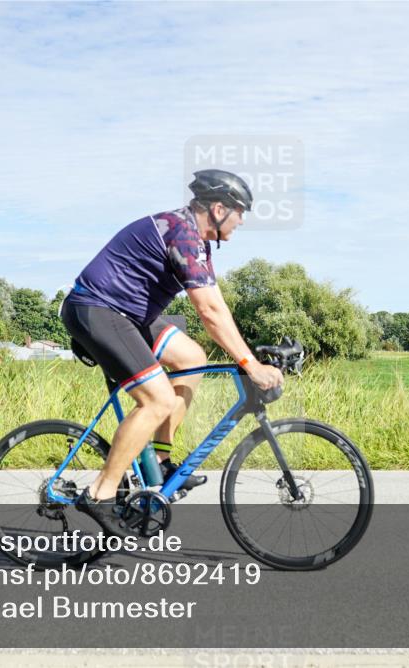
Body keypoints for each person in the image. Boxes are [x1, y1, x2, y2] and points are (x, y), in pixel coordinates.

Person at [61, 169, 284, 533]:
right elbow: (208, 313)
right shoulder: (182, 234)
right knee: (157, 400)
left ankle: (159, 461)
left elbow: (218, 305)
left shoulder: (197, 241)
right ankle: (99, 493)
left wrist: (250, 356)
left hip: (130, 314)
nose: (242, 220)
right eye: (240, 211)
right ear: (217, 208)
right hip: (97, 310)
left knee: (192, 357)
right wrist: (251, 365)